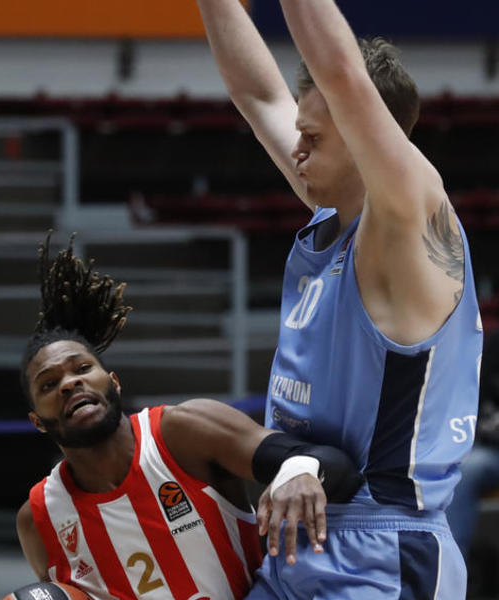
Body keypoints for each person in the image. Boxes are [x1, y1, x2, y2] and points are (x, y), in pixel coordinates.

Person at [196, 1, 483, 598]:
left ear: (360, 132)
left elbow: (341, 71)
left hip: (382, 549)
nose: (296, 148)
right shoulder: (332, 216)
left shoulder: (408, 221)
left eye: (313, 137)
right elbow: (257, 95)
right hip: (297, 534)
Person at [13, 235, 362, 600]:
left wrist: (300, 471)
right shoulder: (38, 519)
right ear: (37, 420)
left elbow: (334, 465)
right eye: (49, 384)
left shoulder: (182, 433)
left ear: (113, 381)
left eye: (83, 368)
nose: (70, 384)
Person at [447, 330, 499, 559]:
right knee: (459, 465)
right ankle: (449, 562)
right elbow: (473, 405)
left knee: (470, 466)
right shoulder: (493, 345)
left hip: (487, 448)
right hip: (488, 448)